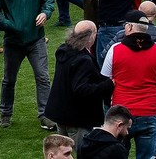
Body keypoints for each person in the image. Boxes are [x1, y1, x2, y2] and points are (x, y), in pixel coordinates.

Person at [98, 10, 156, 159]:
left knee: (117, 154)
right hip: (149, 113)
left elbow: (104, 82)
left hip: (120, 114)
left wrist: (109, 107)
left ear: (130, 27)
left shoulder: (115, 49)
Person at [0, 0, 56, 128]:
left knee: (43, 77)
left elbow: (49, 0)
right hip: (13, 41)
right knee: (9, 79)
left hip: (36, 39)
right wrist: (9, 25)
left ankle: (45, 114)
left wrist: (45, 13)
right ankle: (5, 113)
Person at [45, 21, 114, 151]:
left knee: (63, 153)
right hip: (77, 118)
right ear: (91, 36)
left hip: (61, 113)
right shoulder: (83, 59)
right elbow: (81, 89)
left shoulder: (64, 50)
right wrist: (107, 84)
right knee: (83, 153)